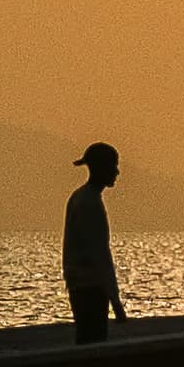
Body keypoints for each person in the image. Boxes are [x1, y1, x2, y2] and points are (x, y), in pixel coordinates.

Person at [63, 142, 124, 343]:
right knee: (93, 340)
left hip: (79, 284)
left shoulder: (79, 197)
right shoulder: (90, 203)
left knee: (86, 337)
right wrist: (115, 301)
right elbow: (100, 254)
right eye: (113, 166)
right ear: (102, 168)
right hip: (90, 286)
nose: (117, 172)